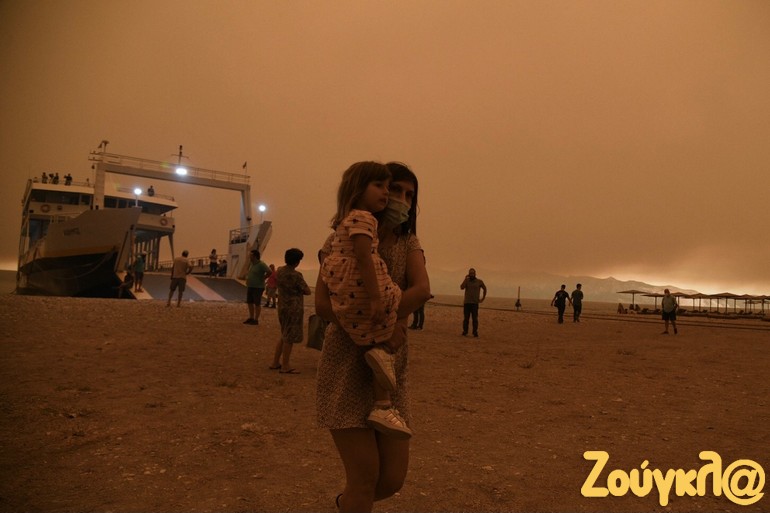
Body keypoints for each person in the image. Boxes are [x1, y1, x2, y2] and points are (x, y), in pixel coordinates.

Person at [315, 161, 431, 513]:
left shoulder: (409, 243)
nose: (401, 200)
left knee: (392, 479)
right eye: (395, 189)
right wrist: (369, 329)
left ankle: (346, 503)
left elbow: (422, 289)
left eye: (409, 195)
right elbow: (322, 304)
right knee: (364, 477)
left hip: (390, 367)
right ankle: (354, 500)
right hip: (347, 364)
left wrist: (393, 325)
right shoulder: (341, 238)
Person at [318, 161, 406, 438]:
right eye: (379, 186)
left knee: (373, 335)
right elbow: (364, 258)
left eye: (387, 186)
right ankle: (382, 404)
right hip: (362, 288)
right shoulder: (364, 218)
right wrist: (377, 298)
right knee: (391, 310)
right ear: (357, 189)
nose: (386, 193)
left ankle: (382, 401)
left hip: (346, 291)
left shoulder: (343, 223)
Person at [269, 248, 311, 374]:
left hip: (282, 306)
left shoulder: (280, 271)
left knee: (284, 334)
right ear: (297, 261)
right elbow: (307, 291)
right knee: (289, 337)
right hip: (294, 308)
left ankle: (275, 362)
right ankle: (285, 365)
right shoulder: (296, 275)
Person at [243, 249, 271, 325]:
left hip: (258, 287)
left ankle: (256, 319)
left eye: (251, 255)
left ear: (255, 256)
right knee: (249, 302)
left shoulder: (261, 264)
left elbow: (269, 271)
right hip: (250, 286)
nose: (249, 257)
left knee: (257, 303)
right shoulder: (252, 264)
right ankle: (251, 317)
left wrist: (264, 278)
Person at [460, 268, 487, 337]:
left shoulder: (479, 281)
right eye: (470, 273)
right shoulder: (467, 281)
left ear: (475, 274)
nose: (471, 274)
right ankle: (465, 331)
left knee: (475, 319)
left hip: (475, 303)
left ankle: (475, 332)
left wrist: (483, 298)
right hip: (467, 303)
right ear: (469, 274)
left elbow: (485, 288)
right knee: (466, 319)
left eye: (472, 273)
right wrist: (465, 279)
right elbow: (462, 287)